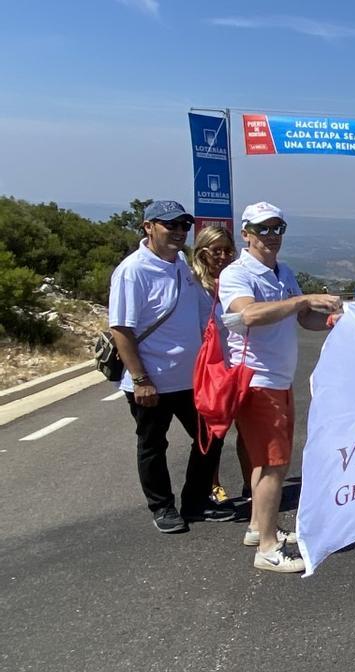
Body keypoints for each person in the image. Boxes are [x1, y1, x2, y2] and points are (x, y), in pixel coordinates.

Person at [219, 202, 343, 573]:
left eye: (277, 229)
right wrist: (301, 299)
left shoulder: (282, 271)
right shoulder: (237, 274)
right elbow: (249, 314)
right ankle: (268, 549)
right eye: (263, 229)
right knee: (275, 464)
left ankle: (260, 527)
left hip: (278, 379)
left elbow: (304, 318)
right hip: (257, 380)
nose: (271, 236)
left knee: (264, 461)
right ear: (246, 234)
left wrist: (334, 320)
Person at [108, 200, 236, 533]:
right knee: (153, 445)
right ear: (148, 227)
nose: (179, 231)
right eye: (171, 225)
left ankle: (194, 503)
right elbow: (121, 329)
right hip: (152, 381)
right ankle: (163, 507)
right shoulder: (132, 270)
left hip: (190, 378)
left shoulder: (180, 263)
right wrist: (139, 379)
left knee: (210, 437)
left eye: (183, 225)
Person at [188, 224, 245, 505]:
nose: (222, 256)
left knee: (242, 429)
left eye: (227, 251)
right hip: (208, 368)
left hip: (233, 363)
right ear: (202, 252)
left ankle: (250, 484)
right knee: (212, 431)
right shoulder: (193, 285)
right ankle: (212, 485)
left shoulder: (234, 281)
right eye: (216, 251)